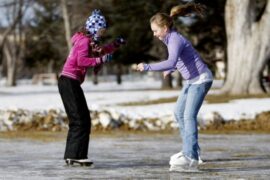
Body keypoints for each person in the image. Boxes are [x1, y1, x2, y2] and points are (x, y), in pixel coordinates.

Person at [137, 3, 213, 172]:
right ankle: (193, 151)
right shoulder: (169, 38)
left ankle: (190, 156)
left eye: (156, 30)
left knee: (188, 116)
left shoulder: (174, 39)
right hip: (191, 80)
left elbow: (172, 60)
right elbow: (179, 58)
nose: (155, 34)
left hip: (201, 79)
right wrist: (171, 69)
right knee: (179, 113)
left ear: (164, 27)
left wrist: (148, 67)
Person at [58, 9, 125, 166]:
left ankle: (72, 155)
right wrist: (99, 60)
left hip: (69, 82)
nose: (102, 33)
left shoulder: (88, 41)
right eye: (101, 30)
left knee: (80, 119)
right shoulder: (84, 42)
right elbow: (82, 61)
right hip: (69, 81)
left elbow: (102, 51)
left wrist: (115, 45)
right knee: (81, 120)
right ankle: (76, 155)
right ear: (94, 28)